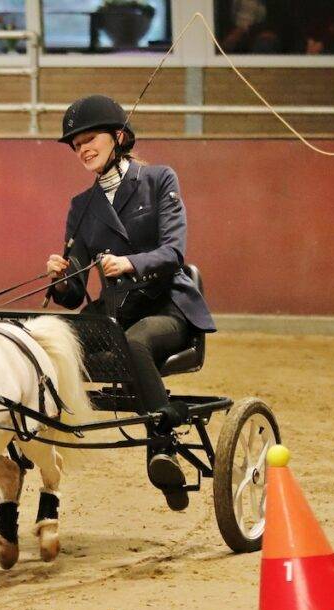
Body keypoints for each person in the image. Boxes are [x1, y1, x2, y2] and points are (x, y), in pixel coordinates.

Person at [46, 94, 216, 511]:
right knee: (46, 339)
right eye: (76, 144)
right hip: (114, 314)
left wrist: (130, 263)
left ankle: (163, 446)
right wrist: (61, 277)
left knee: (135, 343)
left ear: (118, 137)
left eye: (89, 139)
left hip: (165, 307)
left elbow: (174, 251)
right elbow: (74, 292)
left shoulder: (158, 180)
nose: (82, 149)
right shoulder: (81, 207)